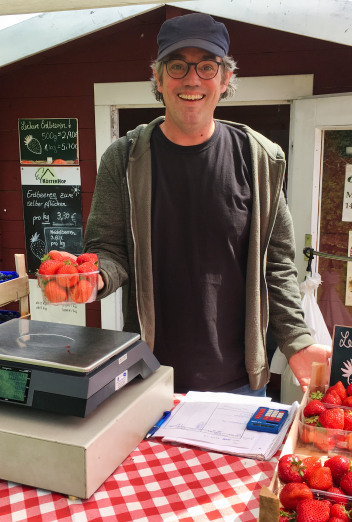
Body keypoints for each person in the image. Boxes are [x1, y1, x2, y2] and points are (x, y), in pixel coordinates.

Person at [84, 12, 330, 395]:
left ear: (226, 78)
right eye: (178, 65)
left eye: (207, 66)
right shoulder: (125, 158)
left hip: (239, 383)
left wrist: (296, 340)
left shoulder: (260, 158)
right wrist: (93, 277)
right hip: (149, 377)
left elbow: (276, 264)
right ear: (159, 77)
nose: (192, 79)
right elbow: (107, 250)